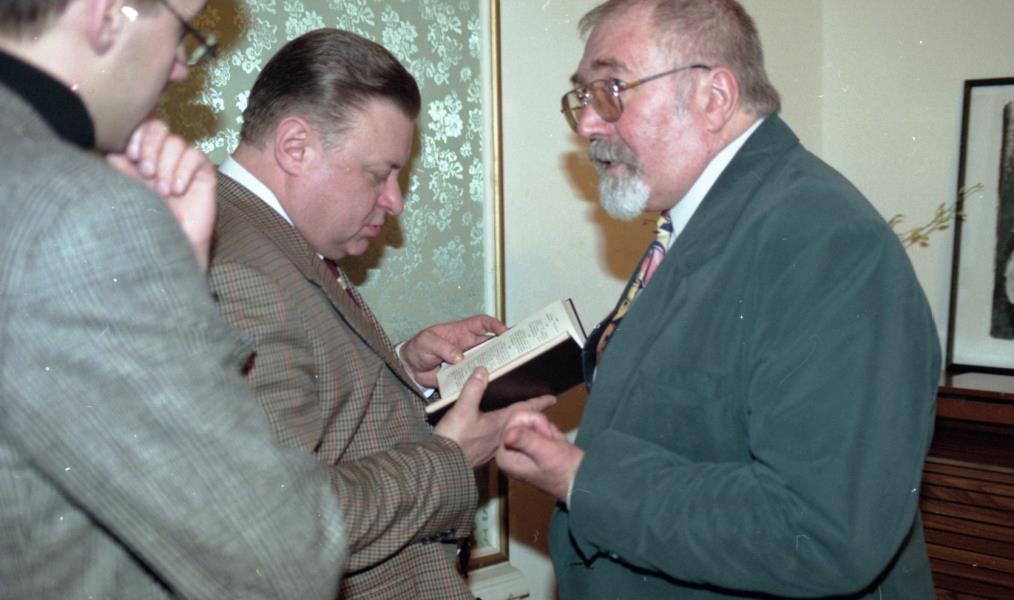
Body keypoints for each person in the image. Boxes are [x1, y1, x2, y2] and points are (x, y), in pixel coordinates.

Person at [496, 1, 941, 598]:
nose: (588, 125)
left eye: (611, 90)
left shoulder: (827, 240)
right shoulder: (714, 218)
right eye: (583, 97)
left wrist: (584, 480)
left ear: (715, 97)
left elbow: (821, 531)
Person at [0, 0, 348, 597]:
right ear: (107, 16)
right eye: (183, 33)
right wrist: (179, 283)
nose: (181, 67)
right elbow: (283, 558)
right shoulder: (83, 216)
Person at [207, 28, 555, 599]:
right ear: (295, 147)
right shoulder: (238, 269)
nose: (395, 201)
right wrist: (451, 456)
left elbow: (311, 398)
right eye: (379, 174)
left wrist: (402, 366)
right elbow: (285, 524)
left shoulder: (255, 235)